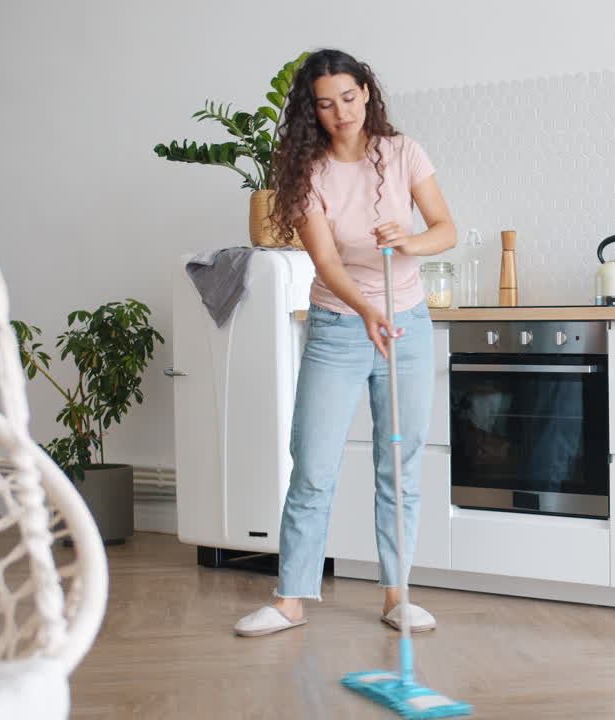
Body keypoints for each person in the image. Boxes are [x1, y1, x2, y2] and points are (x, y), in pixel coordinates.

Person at [234, 49, 456, 637]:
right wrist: (363, 311)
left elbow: (445, 231)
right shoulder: (305, 170)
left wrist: (407, 241)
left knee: (399, 464)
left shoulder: (403, 152)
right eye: (326, 104)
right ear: (313, 110)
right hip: (339, 325)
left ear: (366, 92)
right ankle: (290, 600)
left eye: (349, 98)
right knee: (312, 465)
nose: (341, 113)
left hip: (406, 325)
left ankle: (396, 596)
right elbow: (326, 259)